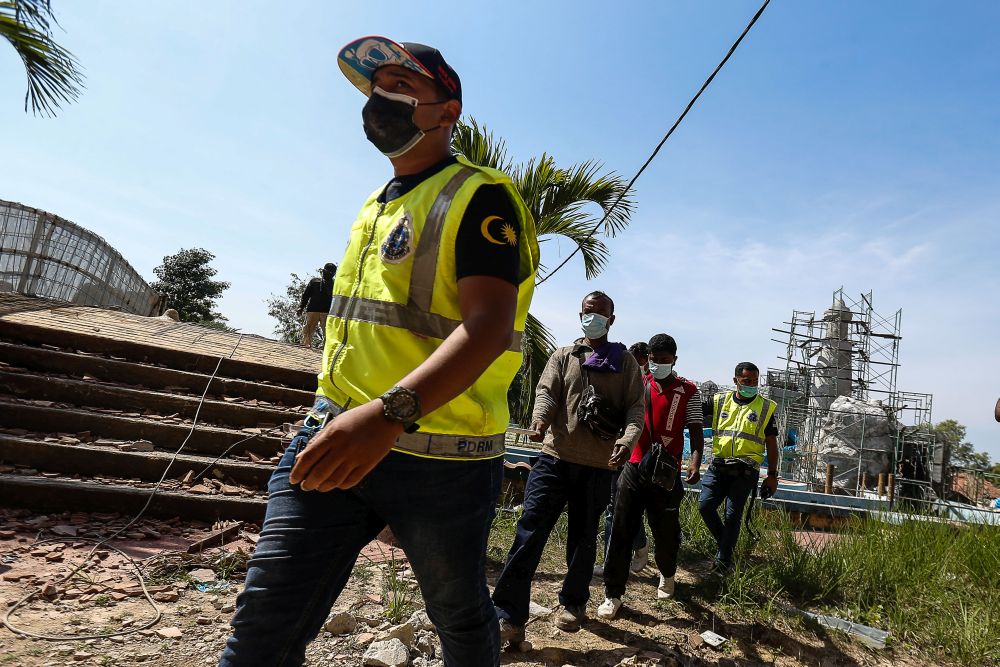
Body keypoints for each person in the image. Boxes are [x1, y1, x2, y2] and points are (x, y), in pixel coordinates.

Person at [219, 36, 539, 667]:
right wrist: (349, 416)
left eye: (403, 88)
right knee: (264, 622)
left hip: (440, 461)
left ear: (448, 112)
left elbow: (489, 326)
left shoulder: (479, 196)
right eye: (376, 88)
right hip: (336, 433)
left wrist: (389, 414)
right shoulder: (376, 204)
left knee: (459, 614)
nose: (381, 99)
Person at [492, 291, 644, 642]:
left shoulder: (625, 363)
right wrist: (540, 420)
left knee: (583, 538)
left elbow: (636, 408)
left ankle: (574, 604)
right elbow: (547, 391)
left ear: (612, 319)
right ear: (581, 315)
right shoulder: (565, 355)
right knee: (529, 531)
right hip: (554, 458)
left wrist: (627, 441)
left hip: (597, 465)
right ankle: (508, 614)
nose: (593, 319)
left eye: (600, 314)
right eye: (588, 313)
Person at [598, 334, 704, 619]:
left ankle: (667, 575)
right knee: (621, 528)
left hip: (665, 472)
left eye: (664, 361)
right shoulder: (638, 384)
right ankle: (613, 594)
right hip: (633, 467)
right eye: (654, 360)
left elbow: (695, 431)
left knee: (666, 531)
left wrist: (694, 462)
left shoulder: (689, 391)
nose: (657, 366)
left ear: (675, 360)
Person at [698, 362, 778, 573]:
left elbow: (771, 443)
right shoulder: (719, 401)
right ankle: (726, 544)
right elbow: (693, 410)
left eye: (754, 381)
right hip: (718, 466)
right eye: (746, 381)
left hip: (745, 470)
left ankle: (723, 562)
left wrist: (772, 475)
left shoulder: (766, 407)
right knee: (705, 506)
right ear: (736, 381)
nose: (752, 385)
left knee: (732, 515)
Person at [595, 341, 650, 577]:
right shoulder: (616, 379)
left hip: (634, 454)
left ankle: (622, 556)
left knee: (620, 508)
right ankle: (636, 546)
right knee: (613, 507)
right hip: (612, 449)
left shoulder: (648, 384)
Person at [297, 262, 337, 348]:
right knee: (307, 329)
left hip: (327, 312)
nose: (328, 274)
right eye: (326, 272)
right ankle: (306, 344)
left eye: (331, 273)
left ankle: (326, 346)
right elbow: (306, 295)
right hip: (313, 310)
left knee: (328, 331)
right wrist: (301, 307)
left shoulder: (335, 285)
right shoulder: (314, 281)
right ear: (323, 271)